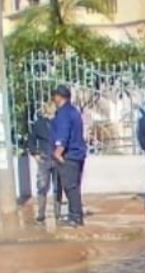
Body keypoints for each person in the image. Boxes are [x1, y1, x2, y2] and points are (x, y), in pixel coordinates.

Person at [49, 85, 87, 227]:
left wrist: (58, 152)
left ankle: (75, 217)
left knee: (70, 187)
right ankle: (76, 215)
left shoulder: (63, 113)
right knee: (74, 186)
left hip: (69, 155)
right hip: (78, 153)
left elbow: (63, 134)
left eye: (54, 96)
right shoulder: (74, 111)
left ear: (59, 97)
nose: (54, 99)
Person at [26, 102, 63, 223]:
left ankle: (57, 213)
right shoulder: (39, 124)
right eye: (49, 108)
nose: (51, 110)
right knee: (42, 186)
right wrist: (35, 153)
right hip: (44, 158)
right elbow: (31, 139)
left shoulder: (59, 122)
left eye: (52, 108)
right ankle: (41, 213)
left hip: (57, 158)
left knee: (58, 187)